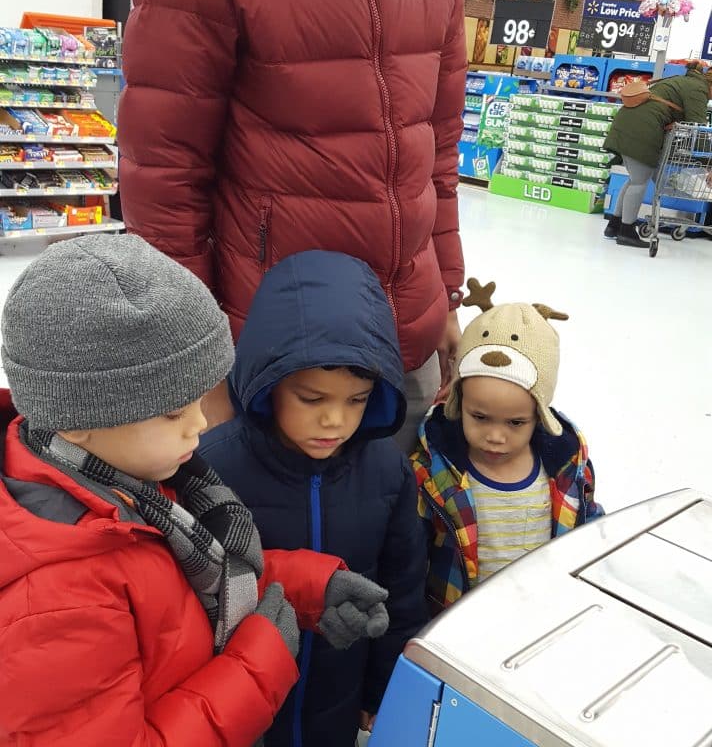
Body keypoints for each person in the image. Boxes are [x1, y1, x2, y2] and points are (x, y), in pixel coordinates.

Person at [118, 0, 482, 452]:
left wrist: (445, 289)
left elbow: (436, 154)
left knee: (394, 547)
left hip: (401, 339)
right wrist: (199, 366)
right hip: (271, 354)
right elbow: (165, 186)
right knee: (274, 562)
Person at [0, 235, 390, 746]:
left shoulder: (133, 489)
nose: (200, 424)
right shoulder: (57, 601)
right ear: (76, 419)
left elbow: (184, 591)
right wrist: (258, 664)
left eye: (200, 399)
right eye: (173, 412)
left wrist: (307, 589)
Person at [200, 250, 428, 747]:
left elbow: (403, 592)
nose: (336, 422)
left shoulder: (388, 471)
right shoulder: (213, 467)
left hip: (339, 699)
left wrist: (386, 686)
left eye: (357, 400)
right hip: (238, 709)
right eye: (312, 398)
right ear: (267, 381)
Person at [410, 278, 602, 615]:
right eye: (480, 417)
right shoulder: (432, 472)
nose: (496, 436)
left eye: (516, 423)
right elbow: (412, 551)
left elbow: (588, 522)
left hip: (540, 616)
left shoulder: (566, 466)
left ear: (539, 415)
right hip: (457, 624)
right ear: (458, 401)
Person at [603, 62, 712, 248]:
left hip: (629, 124)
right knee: (639, 181)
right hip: (642, 129)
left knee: (634, 179)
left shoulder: (682, 81)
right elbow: (698, 129)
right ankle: (626, 231)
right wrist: (708, 163)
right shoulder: (698, 89)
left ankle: (614, 225)